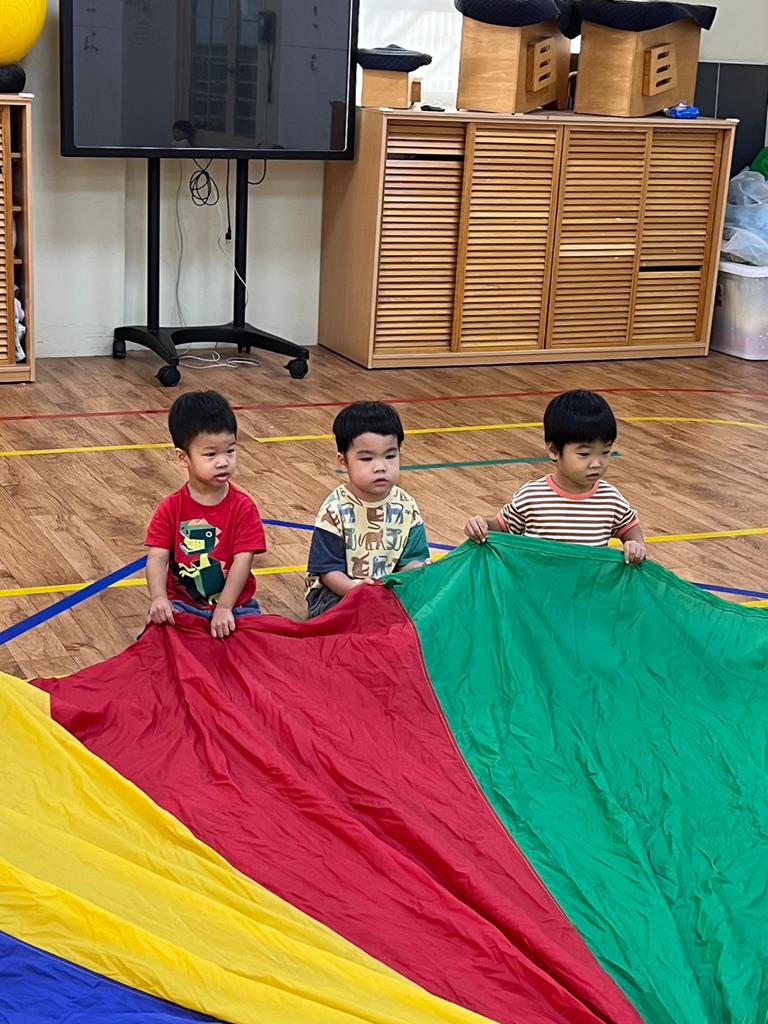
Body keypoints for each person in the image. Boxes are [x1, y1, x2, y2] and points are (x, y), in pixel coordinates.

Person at [464, 389, 647, 565]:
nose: (596, 463)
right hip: (538, 584)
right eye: (584, 454)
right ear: (554, 451)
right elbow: (502, 527)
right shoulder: (532, 496)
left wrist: (635, 544)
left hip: (587, 585)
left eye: (605, 452)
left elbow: (629, 528)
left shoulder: (610, 498)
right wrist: (481, 525)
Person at [145, 390, 266, 638]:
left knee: (255, 641)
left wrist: (225, 607)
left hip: (236, 605)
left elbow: (243, 561)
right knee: (160, 639)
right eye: (211, 454)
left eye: (230, 451)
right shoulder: (170, 508)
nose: (223, 462)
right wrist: (158, 598)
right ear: (183, 457)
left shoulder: (243, 507)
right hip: (183, 605)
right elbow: (157, 557)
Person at [305, 401, 430, 618]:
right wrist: (357, 590)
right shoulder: (335, 509)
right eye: (366, 458)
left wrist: (418, 569)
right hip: (340, 590)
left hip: (387, 589)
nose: (380, 467)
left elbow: (410, 562)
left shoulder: (406, 505)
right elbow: (328, 572)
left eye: (390, 456)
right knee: (344, 615)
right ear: (343, 462)